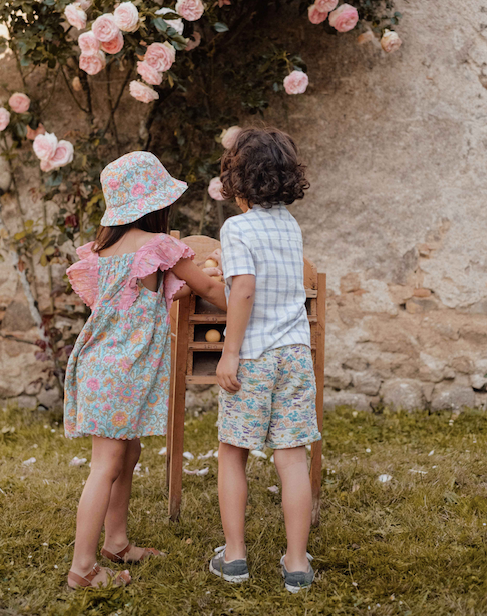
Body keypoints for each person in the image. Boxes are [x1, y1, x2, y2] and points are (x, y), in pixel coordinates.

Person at [64, 151, 225, 590]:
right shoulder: (158, 247)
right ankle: (82, 568)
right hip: (121, 370)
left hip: (103, 365)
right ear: (154, 203)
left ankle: (116, 542)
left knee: (127, 454)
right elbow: (208, 285)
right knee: (106, 464)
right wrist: (249, 308)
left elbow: (121, 307)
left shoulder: (104, 249)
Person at [209, 127, 321, 593]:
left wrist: (229, 352)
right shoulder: (289, 226)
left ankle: (235, 557)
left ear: (238, 180)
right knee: (292, 459)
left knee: (233, 452)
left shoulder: (236, 228)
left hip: (252, 356)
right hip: (294, 353)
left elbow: (245, 291)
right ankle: (296, 563)